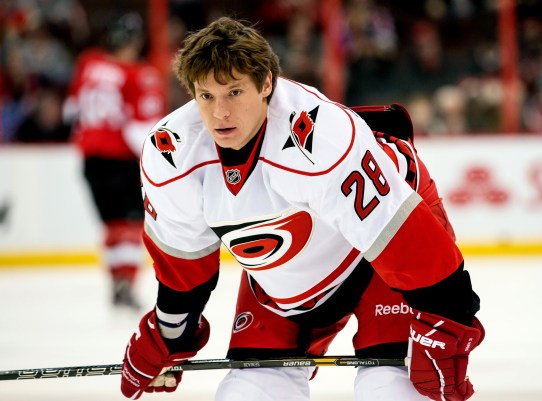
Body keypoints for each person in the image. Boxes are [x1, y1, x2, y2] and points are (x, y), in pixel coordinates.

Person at [119, 17, 484, 401]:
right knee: (247, 393)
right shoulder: (170, 152)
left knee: (391, 391)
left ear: (265, 84)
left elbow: (406, 241)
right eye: (206, 96)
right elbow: (184, 265)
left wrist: (447, 322)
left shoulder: (319, 139)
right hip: (286, 269)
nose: (220, 113)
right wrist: (168, 334)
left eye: (234, 92)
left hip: (382, 257)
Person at [63, 12, 166, 309]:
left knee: (111, 225)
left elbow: (71, 111)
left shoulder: (89, 62)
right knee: (132, 223)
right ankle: (126, 284)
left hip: (90, 158)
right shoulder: (139, 74)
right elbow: (140, 128)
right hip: (120, 158)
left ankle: (115, 283)